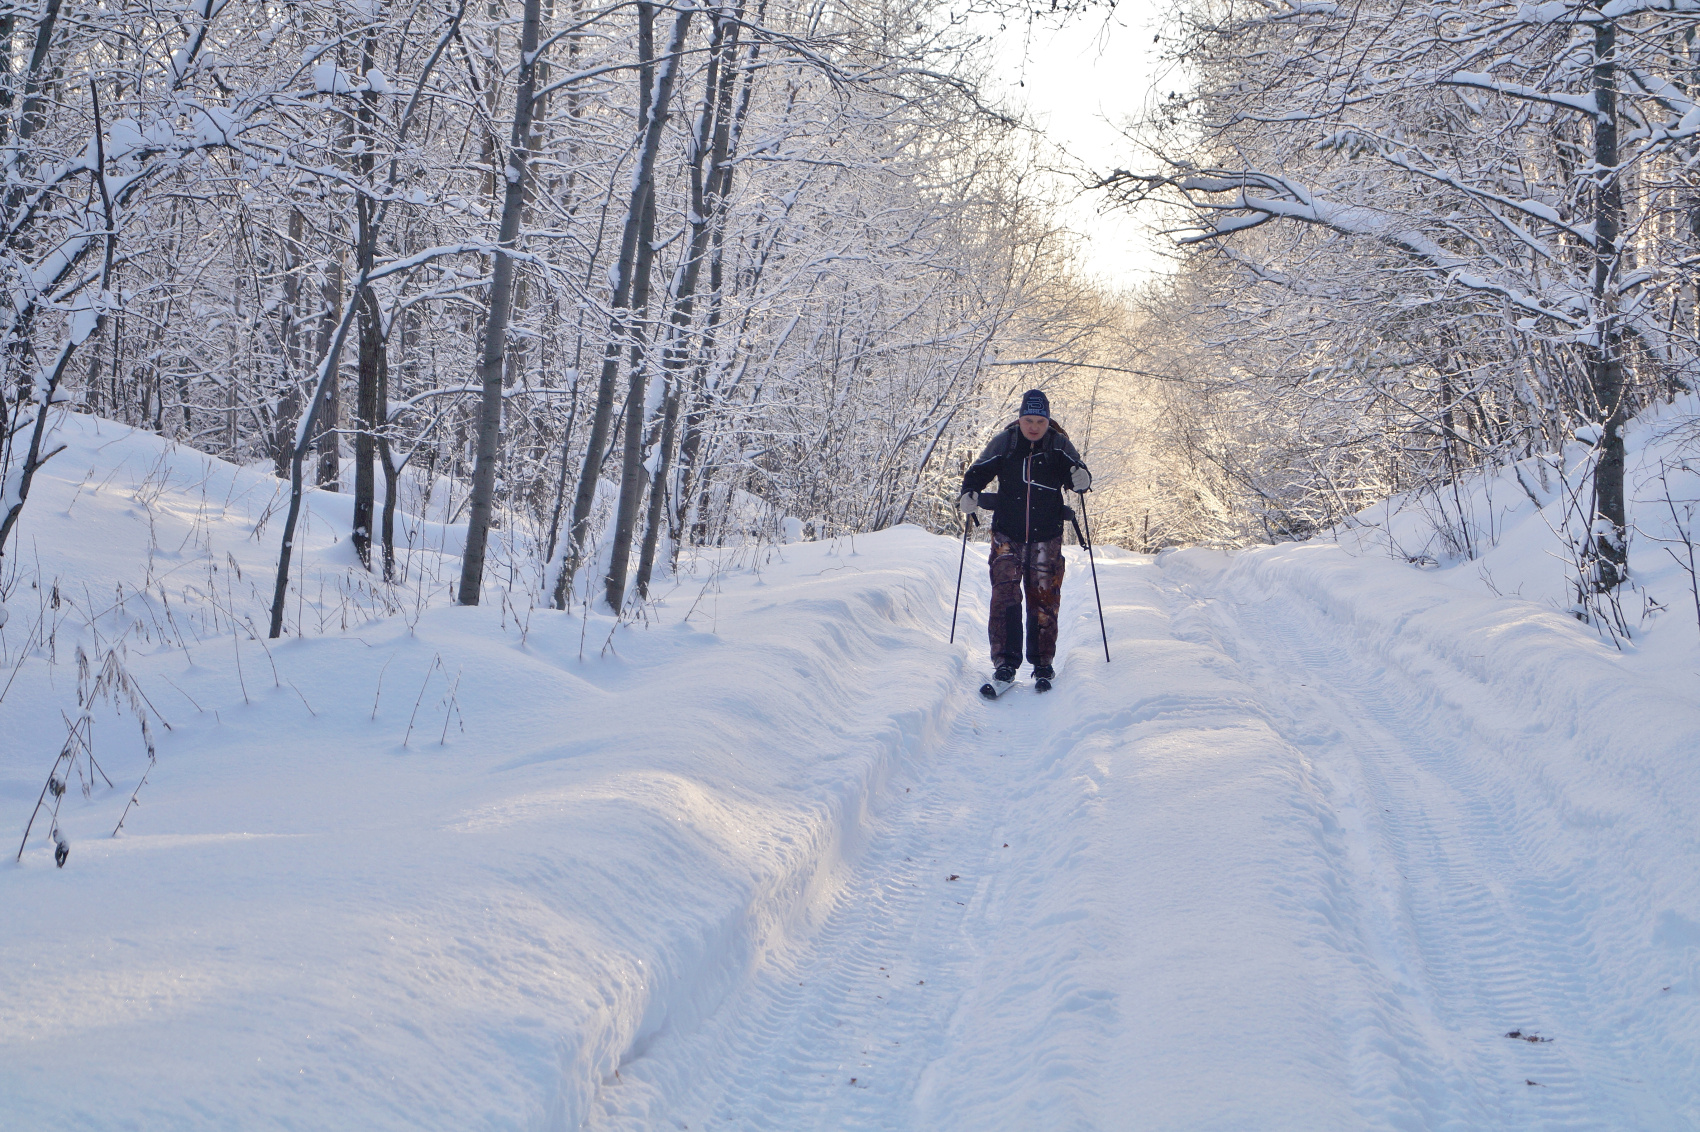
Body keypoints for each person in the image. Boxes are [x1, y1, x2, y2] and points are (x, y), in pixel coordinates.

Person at [956, 389, 1091, 687]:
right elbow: (978, 472)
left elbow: (1077, 473)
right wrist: (968, 493)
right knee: (1005, 595)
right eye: (1028, 420)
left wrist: (1083, 479)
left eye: (1040, 421)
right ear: (1020, 419)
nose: (1034, 426)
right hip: (1007, 533)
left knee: (1044, 599)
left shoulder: (1058, 444)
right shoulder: (1005, 442)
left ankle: (1043, 664)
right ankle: (1004, 662)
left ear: (1048, 420)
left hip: (1048, 536)